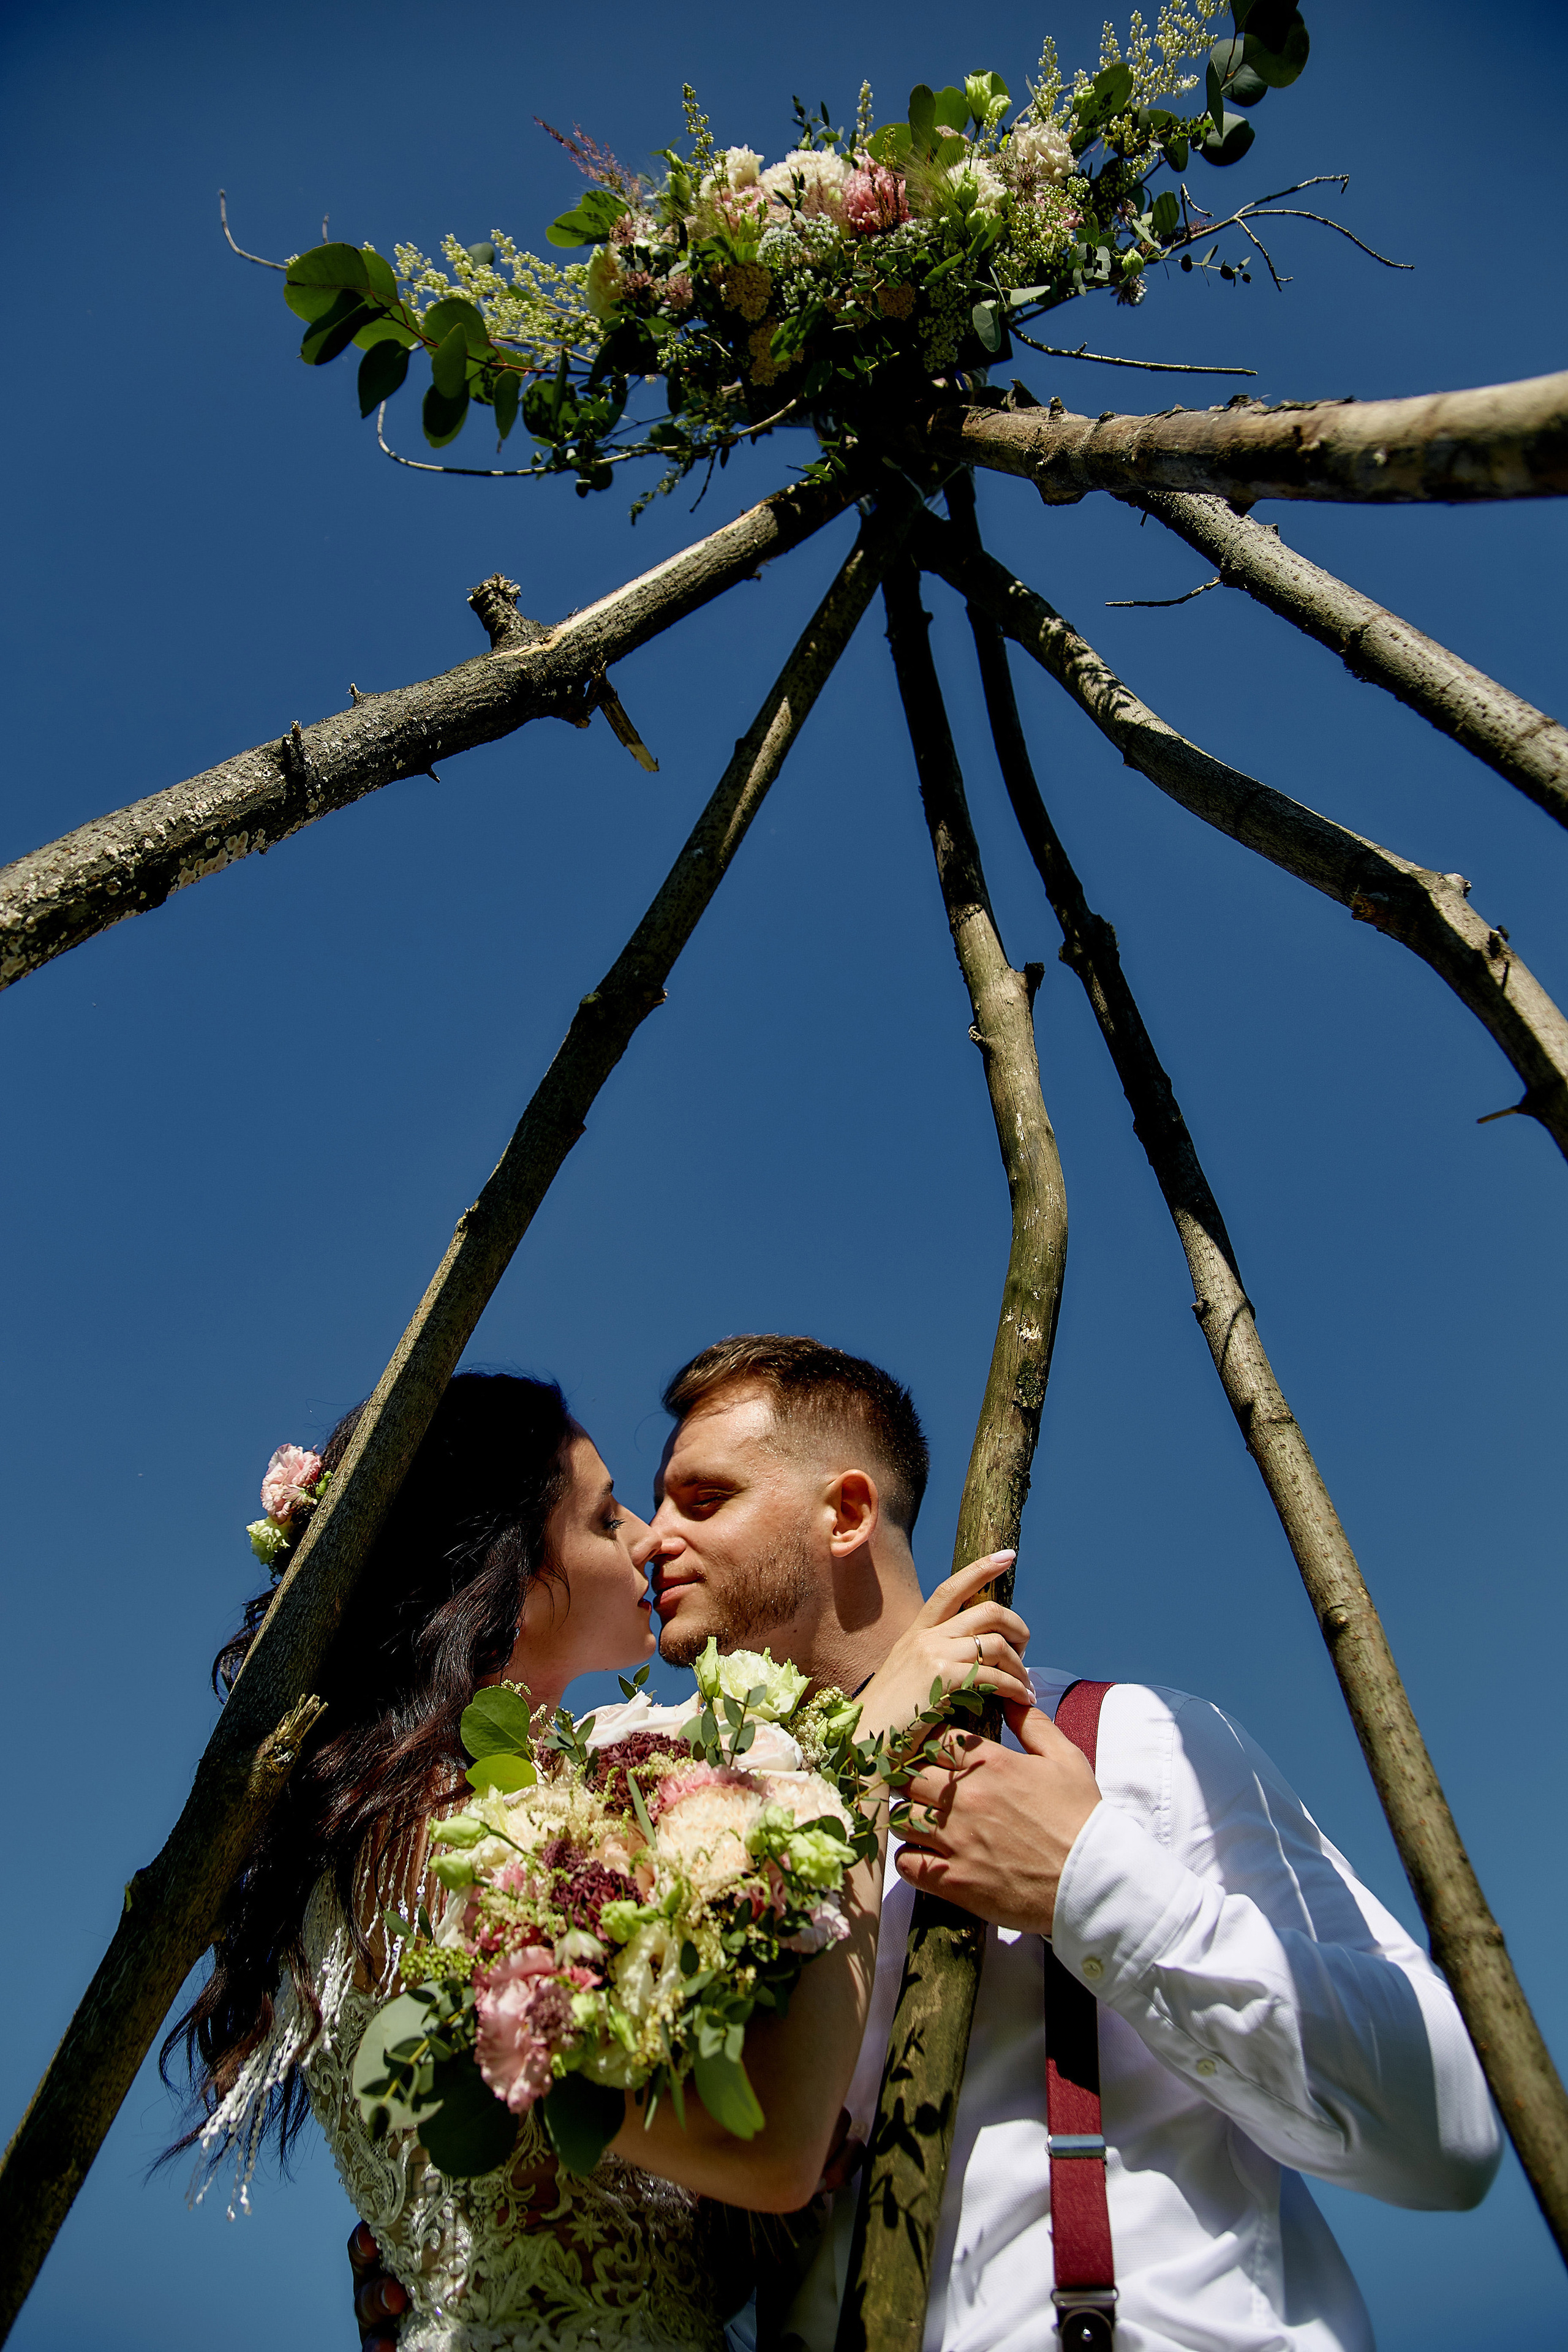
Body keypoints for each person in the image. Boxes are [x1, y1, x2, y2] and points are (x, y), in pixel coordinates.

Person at [346, 1335, 1501, 2351]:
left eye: (703, 1498)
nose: (654, 1540)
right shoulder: (659, 1827)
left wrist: (1090, 1883)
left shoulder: (1127, 1746)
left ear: (844, 1513)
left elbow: (1448, 2131)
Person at [174, 1370, 984, 2352]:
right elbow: (765, 2142)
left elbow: (590, 2208)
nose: (648, 1539)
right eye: (607, 1518)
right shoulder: (459, 1846)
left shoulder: (440, 1821)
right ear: (510, 1575)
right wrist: (866, 1759)